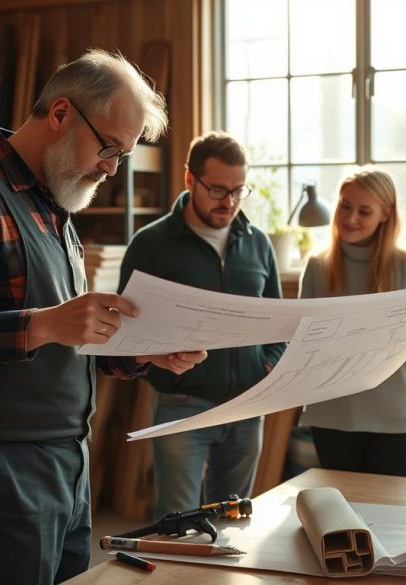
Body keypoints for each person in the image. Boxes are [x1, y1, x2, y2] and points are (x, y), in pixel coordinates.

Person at [0, 49, 206, 585]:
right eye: (108, 147)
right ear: (60, 113)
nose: (110, 167)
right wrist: (41, 324)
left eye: (122, 155)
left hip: (67, 458)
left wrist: (137, 351)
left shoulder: (55, 204)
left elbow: (66, 337)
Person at [118, 131, 286, 517]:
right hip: (181, 403)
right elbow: (126, 328)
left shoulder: (258, 243)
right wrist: (162, 359)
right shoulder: (151, 244)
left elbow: (279, 319)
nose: (229, 202)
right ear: (189, 180)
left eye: (239, 191)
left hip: (246, 404)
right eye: (217, 190)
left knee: (233, 521)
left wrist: (270, 365)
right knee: (179, 525)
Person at [298, 166, 406, 477]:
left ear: (386, 214)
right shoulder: (317, 266)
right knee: (343, 521)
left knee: (394, 521)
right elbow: (301, 341)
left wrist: (368, 332)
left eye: (364, 211)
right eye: (345, 206)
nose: (351, 218)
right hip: (332, 416)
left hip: (399, 422)